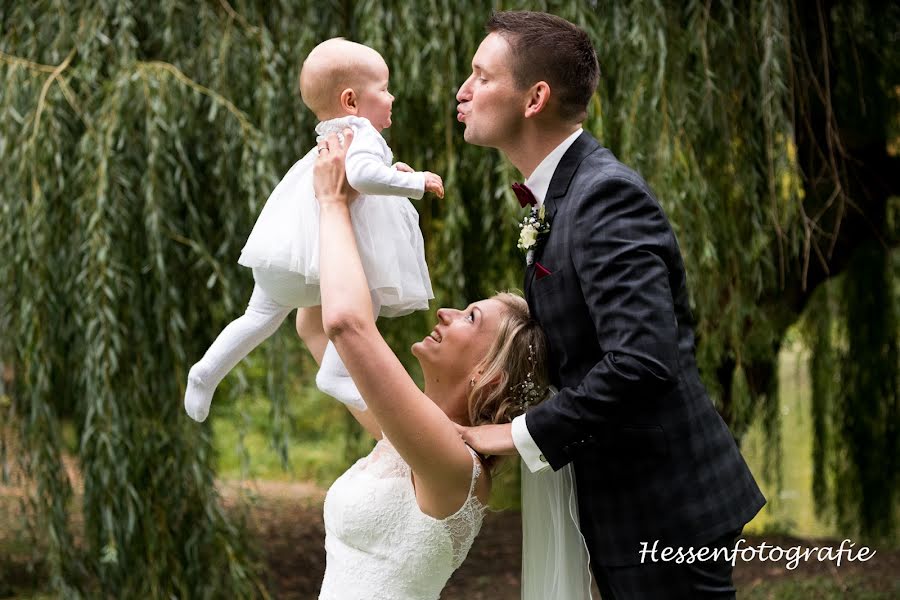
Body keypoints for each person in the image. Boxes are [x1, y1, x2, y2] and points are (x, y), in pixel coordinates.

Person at [456, 11, 767, 598]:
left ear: (534, 98)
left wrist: (516, 434)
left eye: (481, 75)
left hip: (667, 507)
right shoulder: (559, 198)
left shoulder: (605, 197)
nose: (462, 90)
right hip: (630, 502)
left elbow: (642, 362)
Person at [308, 128, 552, 599]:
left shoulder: (454, 466)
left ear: (488, 373)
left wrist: (333, 203)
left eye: (470, 316)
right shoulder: (402, 437)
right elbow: (315, 325)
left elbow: (346, 324)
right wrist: (363, 205)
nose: (446, 312)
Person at [183, 38, 444, 422]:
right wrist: (416, 182)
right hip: (316, 255)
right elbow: (360, 174)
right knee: (367, 290)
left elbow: (364, 173)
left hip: (284, 252)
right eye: (385, 89)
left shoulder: (336, 133)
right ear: (351, 101)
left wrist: (395, 171)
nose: (392, 98)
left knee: (257, 317)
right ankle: (337, 371)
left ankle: (206, 372)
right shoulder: (362, 131)